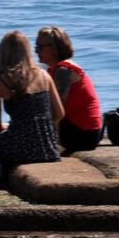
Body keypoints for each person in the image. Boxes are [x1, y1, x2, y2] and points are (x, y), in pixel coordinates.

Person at [0, 30, 64, 187]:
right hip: (48, 149)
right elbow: (59, 113)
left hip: (18, 150)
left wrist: (6, 127)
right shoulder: (44, 75)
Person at [34, 25, 104, 153]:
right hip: (87, 131)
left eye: (39, 47)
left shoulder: (64, 71)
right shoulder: (54, 70)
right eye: (35, 47)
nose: (36, 52)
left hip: (84, 134)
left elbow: (56, 109)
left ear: (54, 49)